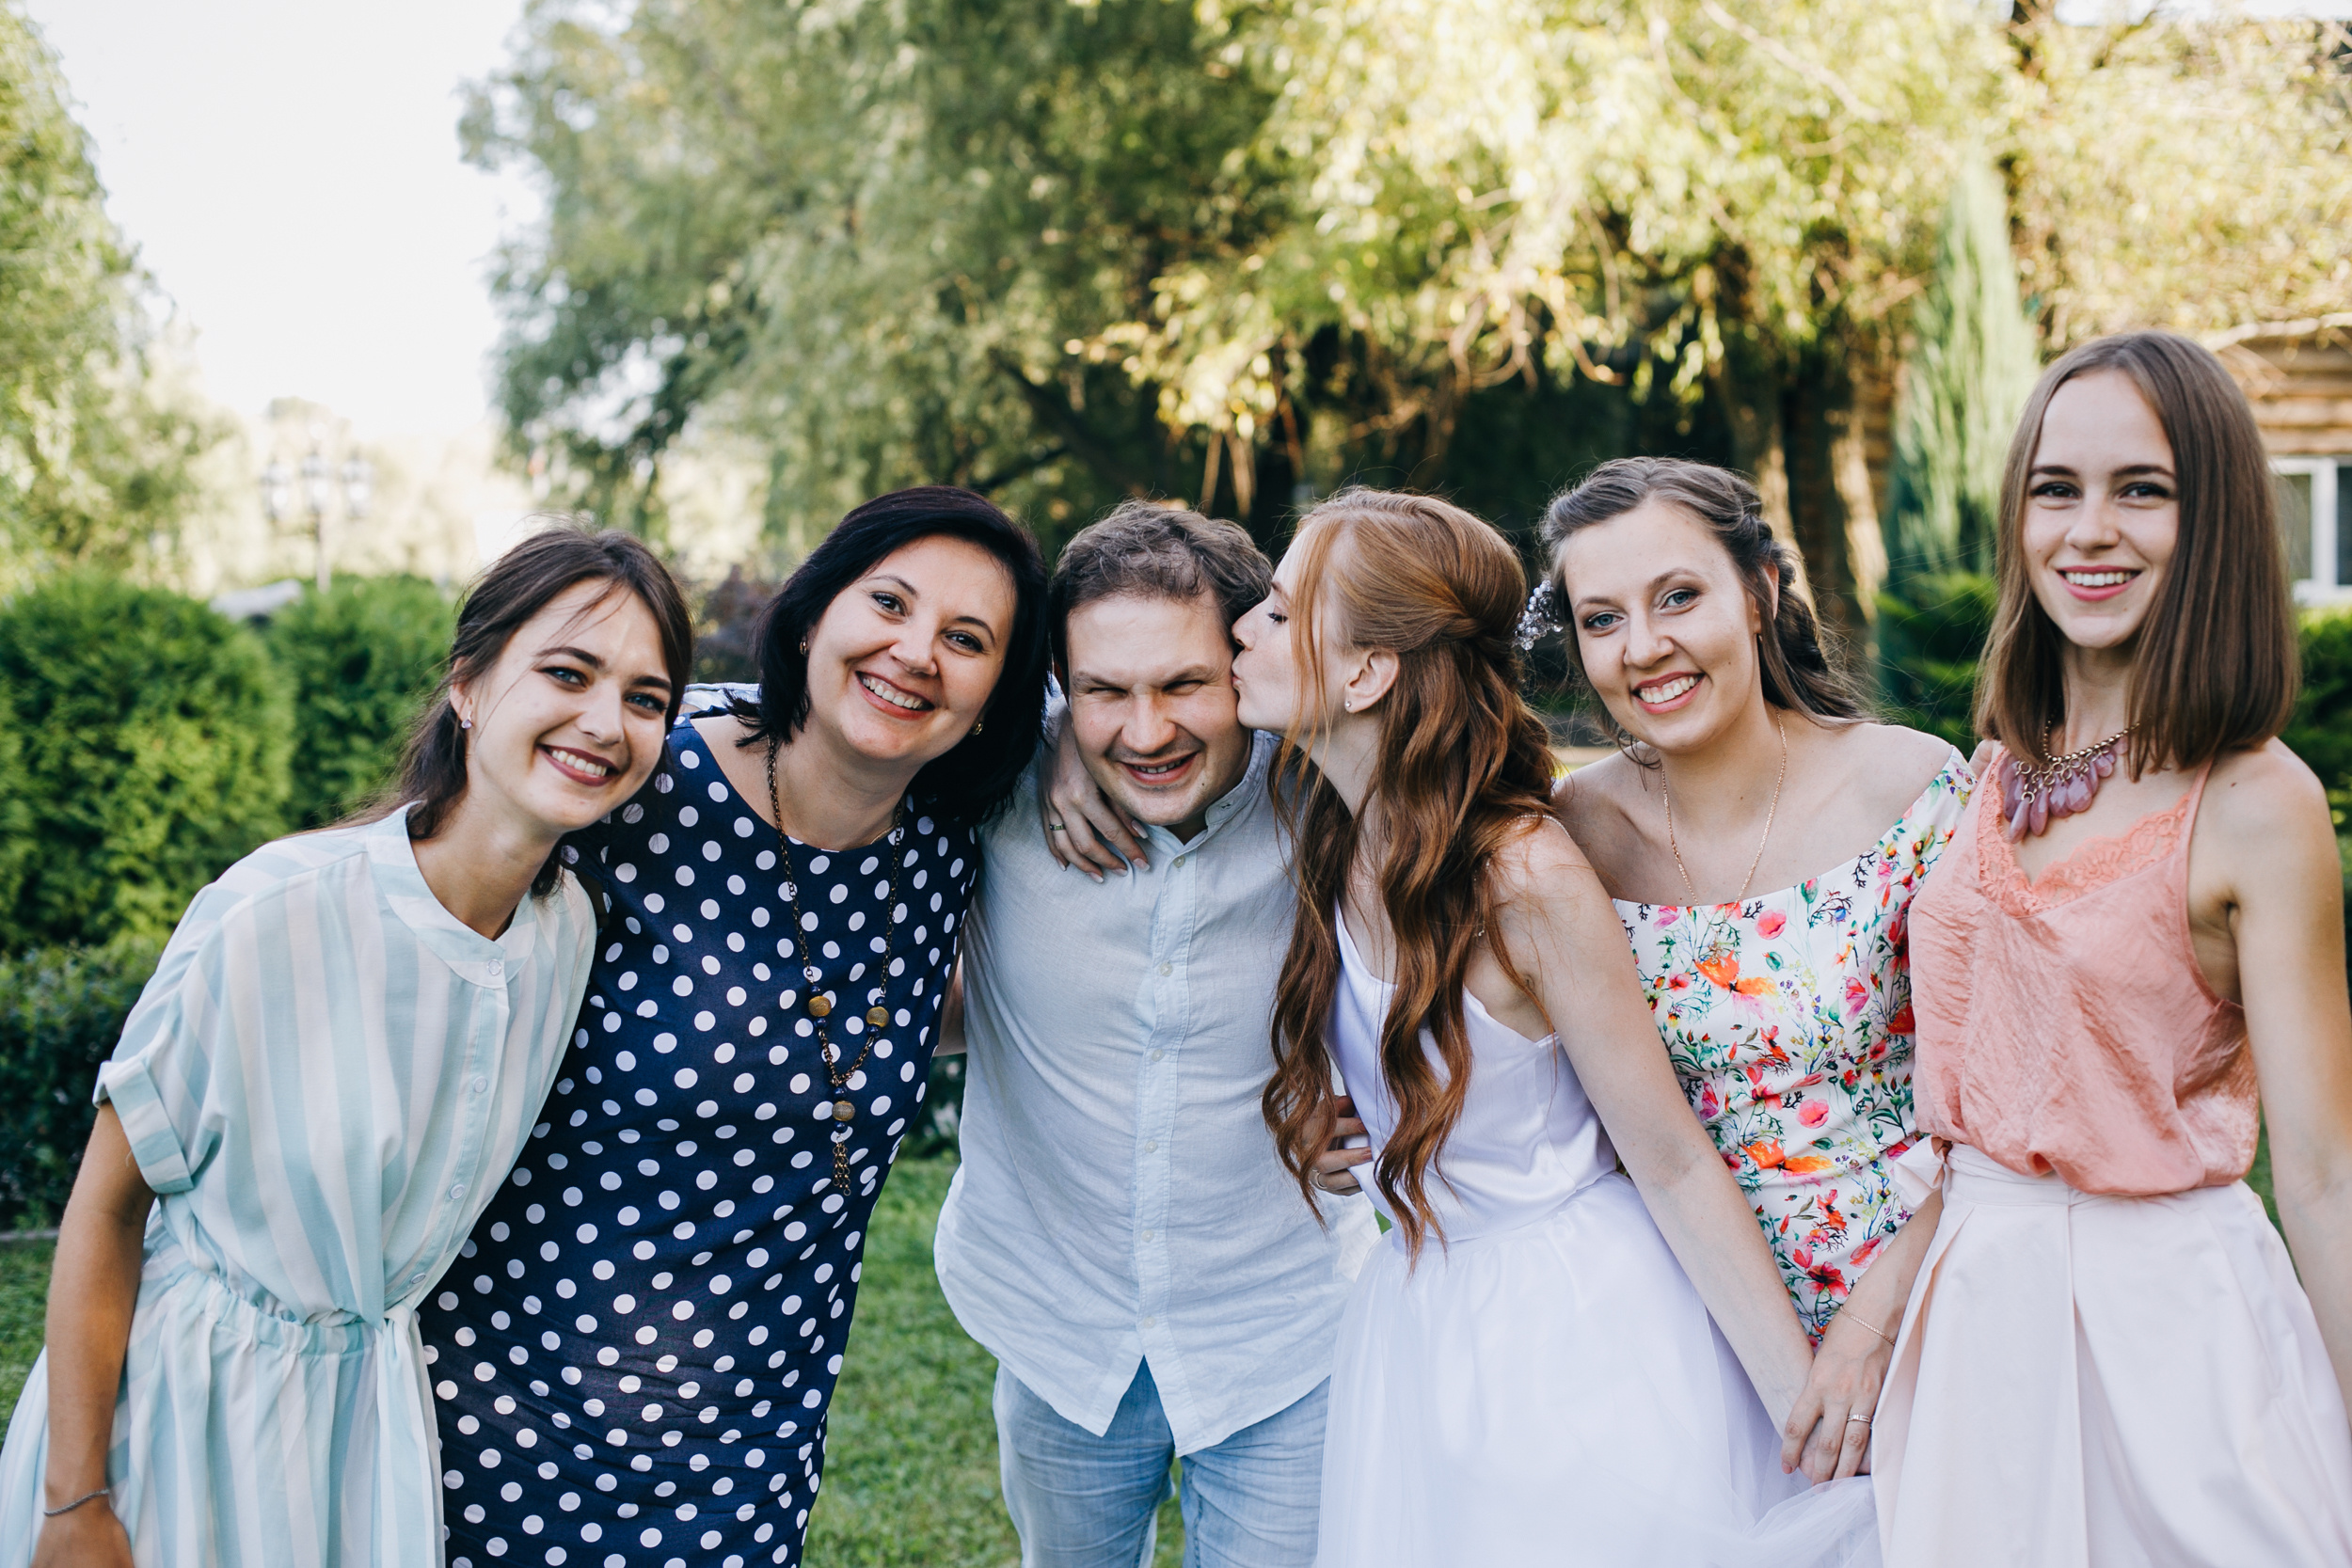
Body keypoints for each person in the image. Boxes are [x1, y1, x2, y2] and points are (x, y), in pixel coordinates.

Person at [0, 526, 693, 1568]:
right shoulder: (275, 909)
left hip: (366, 1426)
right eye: (566, 671)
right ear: (467, 686)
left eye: (646, 698)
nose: (605, 721)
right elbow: (106, 1207)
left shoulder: (566, 936)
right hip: (184, 1416)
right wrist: (74, 1501)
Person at [1233, 487, 1875, 1567]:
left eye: (1276, 606)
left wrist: (1804, 1420)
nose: (1243, 625)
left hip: (1575, 1331)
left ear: (1362, 672)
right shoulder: (1337, 843)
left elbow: (1668, 1158)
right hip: (1423, 1311)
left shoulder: (1521, 877)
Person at [422, 486, 1050, 1568]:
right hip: (501, 1413)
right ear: (812, 615)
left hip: (750, 1450)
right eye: (888, 603)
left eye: (966, 638)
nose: (915, 653)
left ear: (999, 689)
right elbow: (422, 914)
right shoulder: (644, 773)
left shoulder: (954, 839)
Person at [1871, 331, 2352, 1563]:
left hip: (2171, 1330)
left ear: (2218, 522)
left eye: (2142, 489)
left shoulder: (2255, 800)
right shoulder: (1995, 771)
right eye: (2055, 488)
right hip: (1978, 1319)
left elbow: (2323, 1172)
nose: (2090, 528)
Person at [932, 502, 1378, 1568]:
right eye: (1104, 691)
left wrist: (1386, 1089)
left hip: (1282, 1323)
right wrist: (1050, 750)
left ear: (1249, 660)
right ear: (1059, 688)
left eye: (1183, 684)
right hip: (1054, 1314)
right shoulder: (995, 781)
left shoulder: (1331, 794)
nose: (1145, 731)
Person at [1532, 457, 1973, 1481]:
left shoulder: (1913, 788)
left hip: (1919, 1305)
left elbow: (2003, 1102)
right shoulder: (1569, 835)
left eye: (1678, 596)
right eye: (1602, 619)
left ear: (1762, 591)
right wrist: (1352, 1099)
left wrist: (1875, 1322)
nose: (1644, 648)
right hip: (1677, 1324)